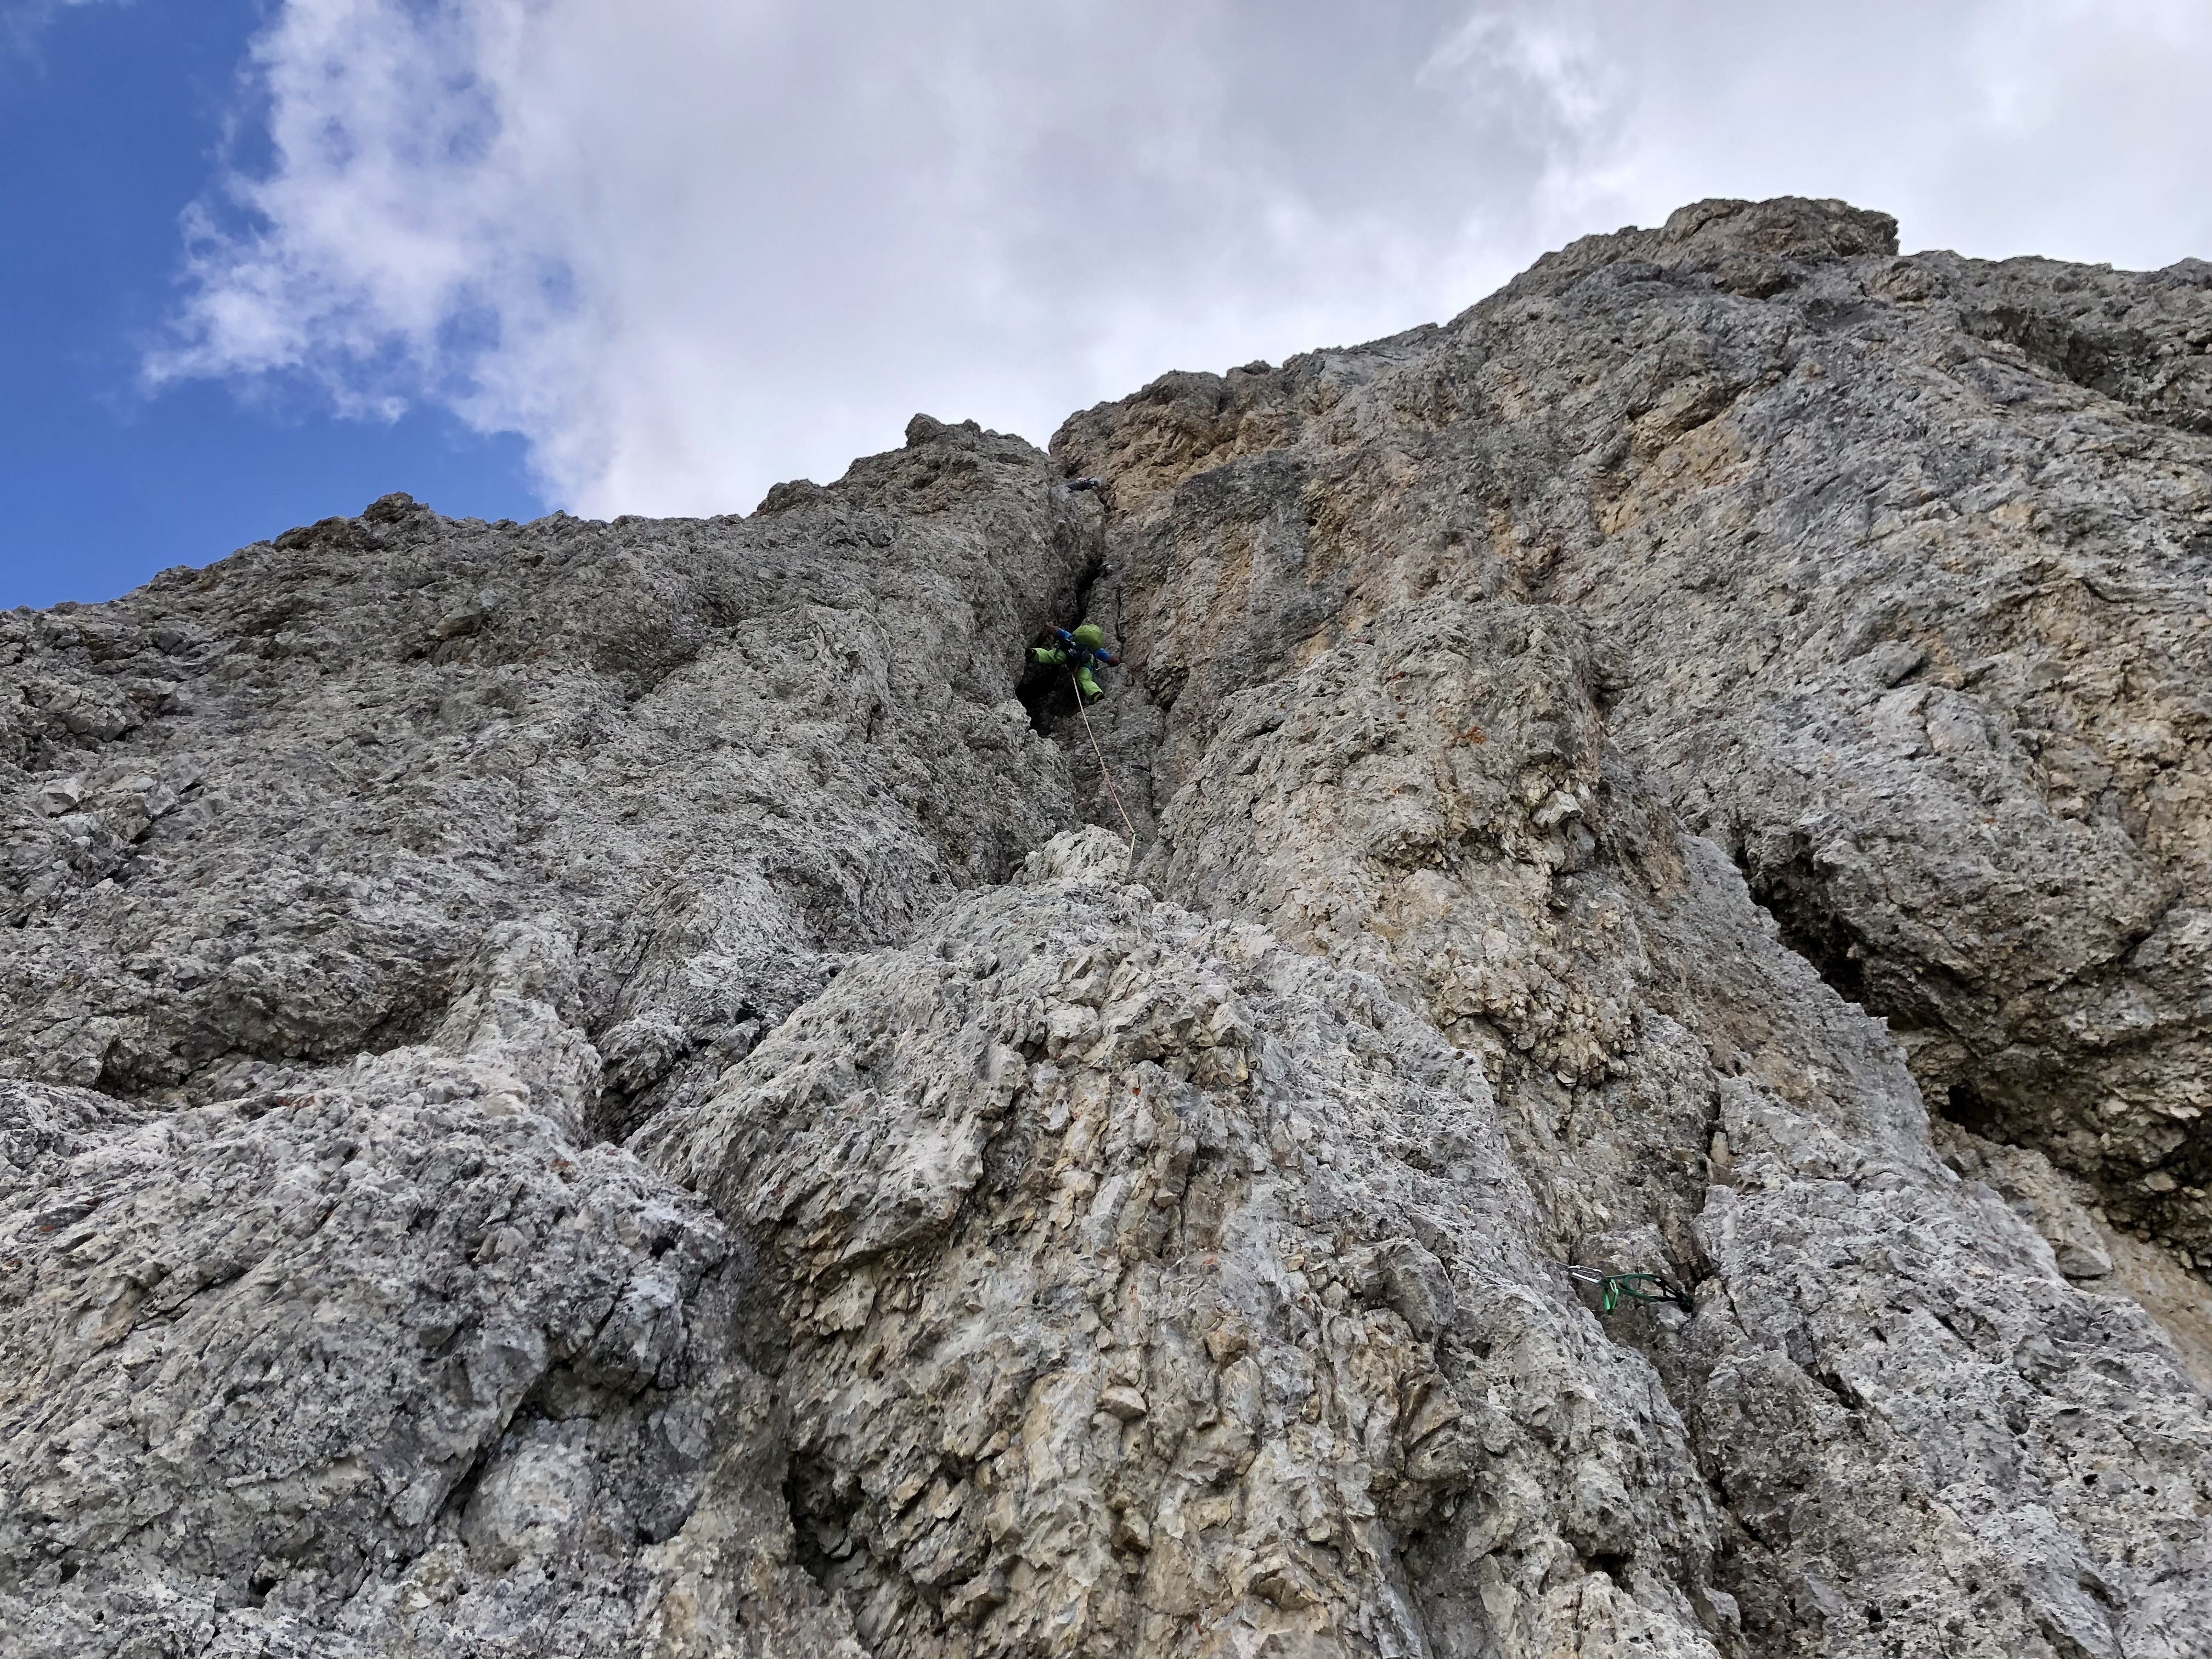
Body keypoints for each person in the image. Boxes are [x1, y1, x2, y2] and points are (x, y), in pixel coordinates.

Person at [1031, 623, 1121, 702]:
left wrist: (1039, 645)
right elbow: (1113, 661)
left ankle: (1033, 654)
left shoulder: (1071, 637)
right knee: (1084, 680)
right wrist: (1121, 659)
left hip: (1068, 653)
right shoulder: (1096, 650)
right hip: (1085, 664)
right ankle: (1095, 694)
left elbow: (1049, 628)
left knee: (1050, 656)